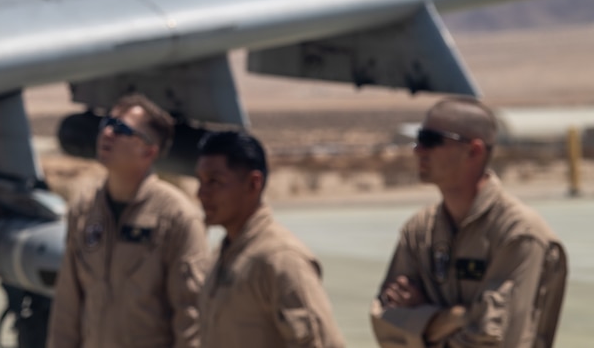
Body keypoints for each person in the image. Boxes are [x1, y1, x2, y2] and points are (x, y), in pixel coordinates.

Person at [371, 97, 567, 348]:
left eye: (431, 140)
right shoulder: (419, 231)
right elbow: (385, 324)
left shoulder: (518, 234)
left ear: (473, 151)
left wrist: (420, 324)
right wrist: (454, 318)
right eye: (419, 138)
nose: (418, 150)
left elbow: (498, 339)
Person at [48, 93, 210, 348]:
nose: (108, 133)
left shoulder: (177, 217)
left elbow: (191, 317)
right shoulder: (85, 209)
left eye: (121, 128)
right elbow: (67, 307)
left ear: (148, 150)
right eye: (106, 124)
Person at [195, 130, 344, 348]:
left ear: (254, 184)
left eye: (215, 182)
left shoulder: (281, 259)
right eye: (201, 181)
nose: (202, 193)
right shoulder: (222, 254)